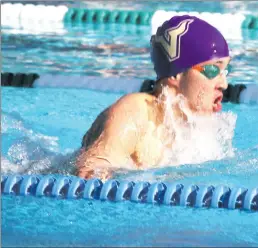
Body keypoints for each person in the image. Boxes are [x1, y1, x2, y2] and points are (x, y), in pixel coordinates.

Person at [75, 15, 232, 180]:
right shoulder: (134, 113)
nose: (224, 84)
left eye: (225, 70)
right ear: (176, 74)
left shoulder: (197, 129)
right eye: (213, 70)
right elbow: (90, 175)